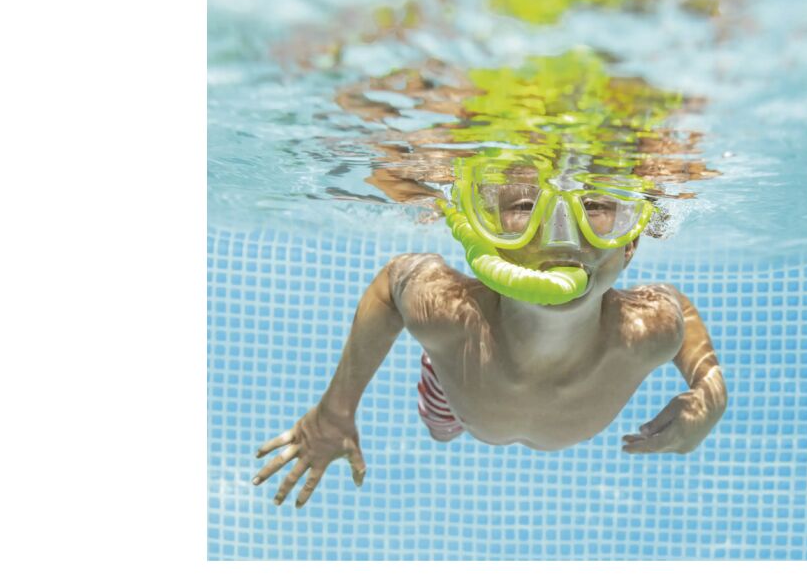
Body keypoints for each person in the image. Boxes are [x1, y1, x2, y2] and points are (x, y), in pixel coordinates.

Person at [252, 156, 728, 508]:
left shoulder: (647, 332)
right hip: (455, 382)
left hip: (501, 398)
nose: (560, 236)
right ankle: (441, 402)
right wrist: (336, 411)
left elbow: (677, 308)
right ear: (485, 235)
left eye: (596, 205)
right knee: (440, 431)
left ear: (629, 243)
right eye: (525, 205)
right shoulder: (448, 317)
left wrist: (711, 394)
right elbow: (392, 284)